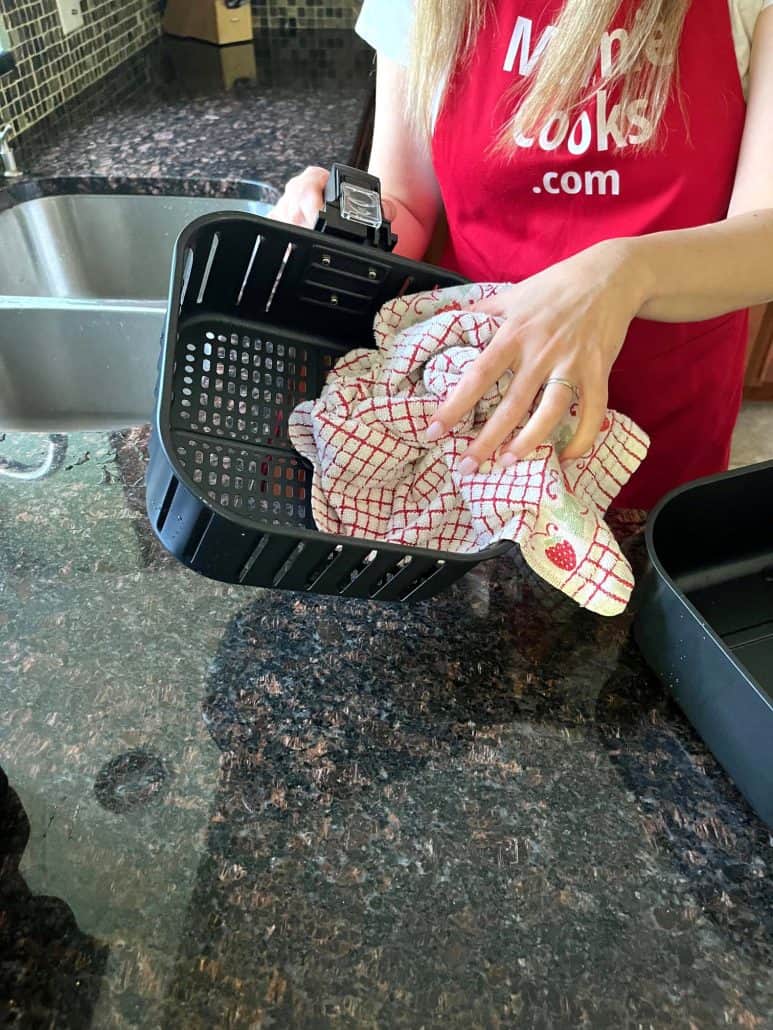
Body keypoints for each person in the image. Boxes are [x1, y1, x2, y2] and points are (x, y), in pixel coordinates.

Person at [270, 0, 773, 509]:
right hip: (474, 405)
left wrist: (624, 273)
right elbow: (408, 207)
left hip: (658, 413)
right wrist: (339, 215)